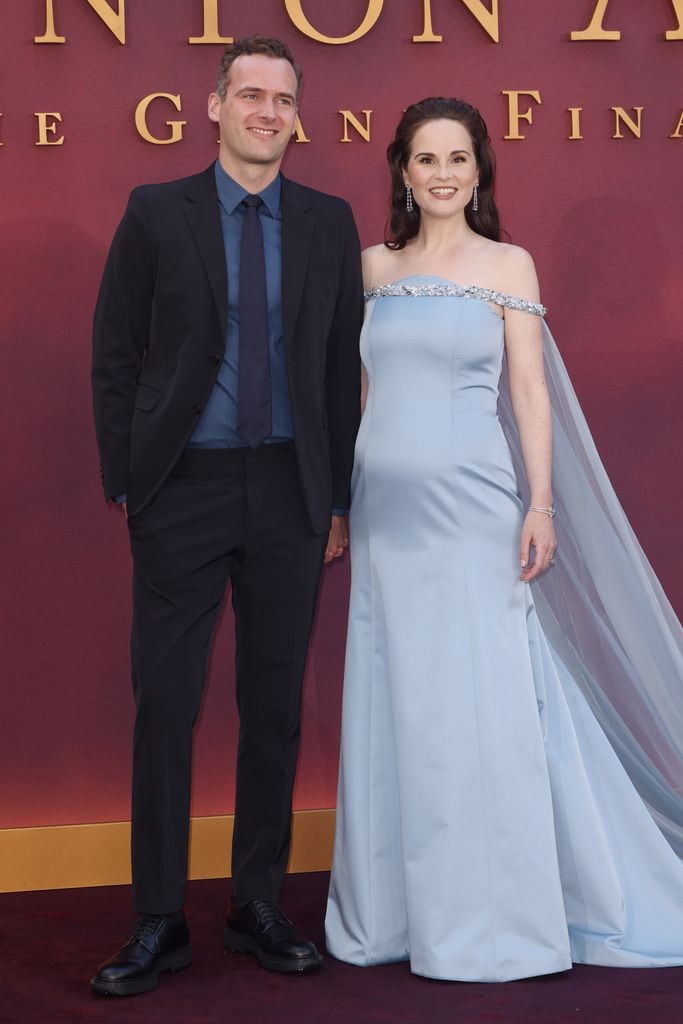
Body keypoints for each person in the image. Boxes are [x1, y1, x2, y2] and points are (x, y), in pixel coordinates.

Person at [325, 97, 683, 982]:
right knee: (395, 697)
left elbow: (528, 394)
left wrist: (541, 506)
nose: (442, 174)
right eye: (424, 160)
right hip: (385, 519)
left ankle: (493, 918)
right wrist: (341, 500)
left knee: (478, 707)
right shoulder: (369, 267)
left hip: (475, 512)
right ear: (401, 174)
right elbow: (361, 396)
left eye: (457, 158)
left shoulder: (507, 265)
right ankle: (393, 913)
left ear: (479, 169)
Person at [90, 36, 363, 996]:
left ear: (296, 115)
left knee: (273, 711)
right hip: (184, 490)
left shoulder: (329, 224)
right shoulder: (156, 212)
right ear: (213, 106)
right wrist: (129, 475)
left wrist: (337, 499)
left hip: (291, 493)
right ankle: (157, 919)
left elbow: (337, 368)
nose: (265, 111)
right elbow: (116, 348)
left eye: (282, 98)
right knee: (165, 705)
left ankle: (255, 904)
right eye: (249, 93)